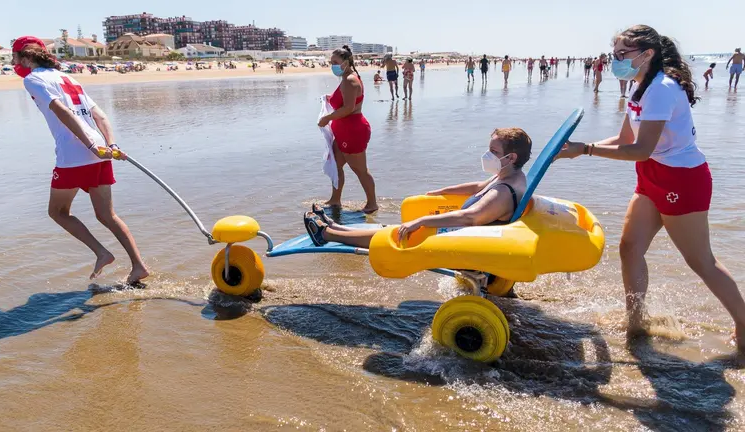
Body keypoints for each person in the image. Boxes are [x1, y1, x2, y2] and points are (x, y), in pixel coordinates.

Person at [556, 25, 745, 353]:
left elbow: (640, 149)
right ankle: (637, 321)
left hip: (681, 180)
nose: (615, 60)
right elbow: (624, 141)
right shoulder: (638, 87)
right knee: (629, 248)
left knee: (700, 260)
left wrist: (585, 149)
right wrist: (575, 149)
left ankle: (744, 324)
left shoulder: (662, 89)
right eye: (613, 54)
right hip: (651, 175)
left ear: (647, 54)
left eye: (621, 55)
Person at [11, 36, 149, 284]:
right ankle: (138, 266)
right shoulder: (68, 78)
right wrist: (110, 144)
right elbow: (100, 115)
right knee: (107, 215)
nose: (14, 61)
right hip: (100, 152)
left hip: (75, 156)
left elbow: (61, 111)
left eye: (15, 56)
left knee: (58, 212)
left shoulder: (33, 79)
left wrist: (89, 146)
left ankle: (102, 252)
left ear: (26, 57)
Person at [303, 128, 532, 248]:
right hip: (463, 231)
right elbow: (477, 187)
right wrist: (442, 191)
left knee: (394, 233)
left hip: (463, 236)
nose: (487, 155)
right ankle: (335, 227)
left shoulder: (503, 192)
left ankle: (325, 233)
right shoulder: (509, 176)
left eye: (494, 152)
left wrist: (421, 221)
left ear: (511, 157)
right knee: (394, 227)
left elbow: (470, 217)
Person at [318, 45, 378, 214]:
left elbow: (349, 108)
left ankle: (372, 204)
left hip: (353, 131)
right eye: (331, 62)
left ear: (346, 62)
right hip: (344, 131)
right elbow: (345, 100)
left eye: (335, 62)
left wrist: (327, 118)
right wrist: (331, 98)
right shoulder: (347, 78)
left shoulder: (350, 80)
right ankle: (335, 200)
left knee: (360, 170)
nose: (332, 66)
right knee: (335, 165)